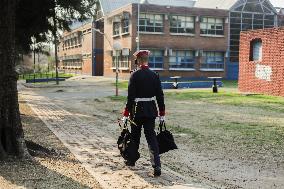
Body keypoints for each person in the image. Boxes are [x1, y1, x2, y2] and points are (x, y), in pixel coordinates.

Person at [122, 50, 165, 176]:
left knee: (135, 137)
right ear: (147, 60)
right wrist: (162, 113)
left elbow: (130, 98)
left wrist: (125, 114)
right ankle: (156, 165)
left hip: (137, 111)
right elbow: (160, 96)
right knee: (151, 138)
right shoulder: (155, 75)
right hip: (151, 110)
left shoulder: (134, 75)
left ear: (139, 60)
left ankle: (131, 160)